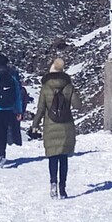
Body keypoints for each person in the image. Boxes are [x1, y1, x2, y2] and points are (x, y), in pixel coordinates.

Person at [31, 57, 81, 199]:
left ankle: (53, 185)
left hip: (50, 127)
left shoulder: (46, 88)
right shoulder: (69, 86)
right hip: (66, 127)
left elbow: (41, 109)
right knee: (63, 158)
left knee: (53, 157)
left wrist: (34, 125)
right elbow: (78, 105)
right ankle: (63, 189)